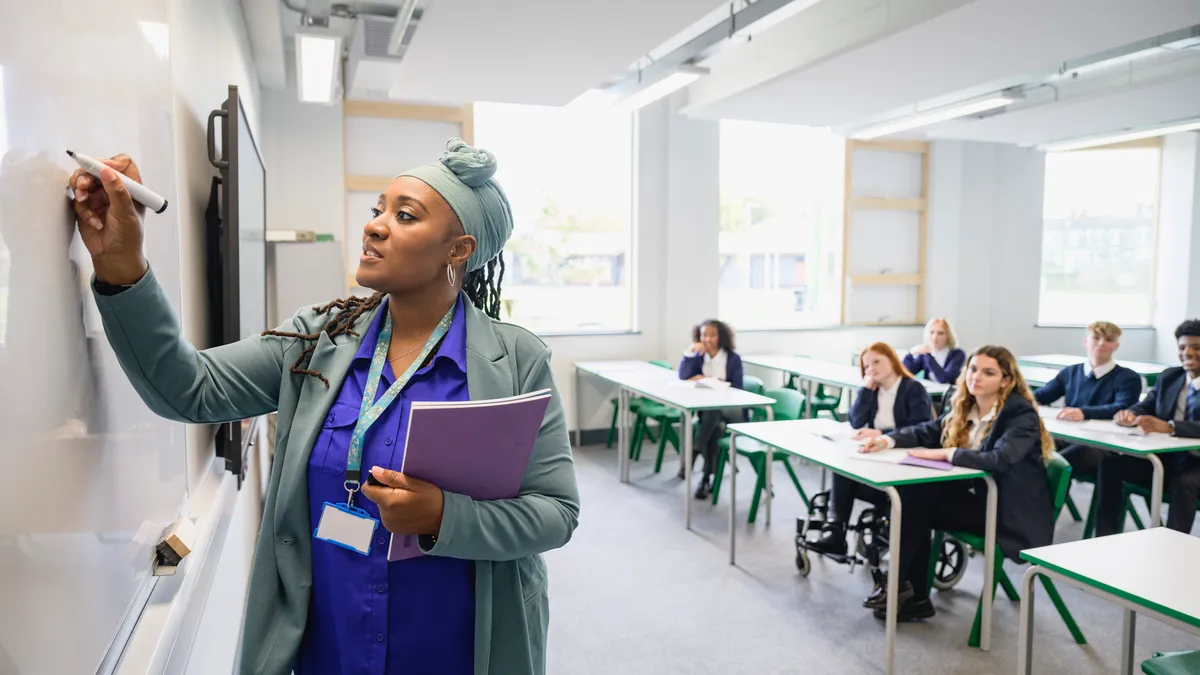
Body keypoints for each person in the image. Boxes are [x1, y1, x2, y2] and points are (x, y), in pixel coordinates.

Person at [68, 142, 579, 675]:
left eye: (404, 216)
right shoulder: (317, 340)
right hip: (334, 647)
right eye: (377, 209)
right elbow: (187, 388)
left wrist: (445, 516)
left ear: (458, 249)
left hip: (458, 648)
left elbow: (555, 514)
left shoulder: (515, 360)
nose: (376, 226)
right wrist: (120, 263)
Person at [860, 346, 1054, 621]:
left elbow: (1001, 458)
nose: (976, 377)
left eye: (989, 373)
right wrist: (887, 439)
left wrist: (947, 453)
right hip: (975, 499)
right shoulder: (965, 403)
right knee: (912, 499)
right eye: (973, 369)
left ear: (1006, 380)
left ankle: (903, 588)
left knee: (915, 503)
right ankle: (905, 591)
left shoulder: (1020, 415)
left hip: (1005, 510)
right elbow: (929, 430)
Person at [809, 342, 932, 556]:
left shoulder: (912, 388)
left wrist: (883, 434)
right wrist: (865, 390)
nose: (871, 369)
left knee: (849, 472)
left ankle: (866, 529)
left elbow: (921, 427)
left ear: (892, 361)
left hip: (904, 458)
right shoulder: (873, 391)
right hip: (879, 454)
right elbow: (855, 421)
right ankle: (835, 532)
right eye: (866, 366)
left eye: (877, 362)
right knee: (842, 467)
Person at [1095, 319, 1200, 536]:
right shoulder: (1170, 377)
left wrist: (1171, 427)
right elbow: (1147, 404)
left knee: (1184, 483)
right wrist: (1131, 413)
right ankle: (1104, 539)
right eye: (1182, 348)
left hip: (1196, 465)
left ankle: (1171, 550)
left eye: (1196, 347)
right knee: (1112, 466)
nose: (1188, 353)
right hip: (1168, 459)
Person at [1033, 321, 1141, 478]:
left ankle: (1048, 502)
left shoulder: (1128, 377)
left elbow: (1122, 407)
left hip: (1103, 444)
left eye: (1109, 340)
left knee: (1058, 464)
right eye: (1096, 338)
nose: (1101, 343)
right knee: (1032, 452)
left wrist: (1083, 412)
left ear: (1116, 346)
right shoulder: (1070, 372)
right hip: (1070, 436)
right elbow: (1043, 395)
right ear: (1086, 341)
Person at [678, 319, 744, 499]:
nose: (707, 339)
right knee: (713, 427)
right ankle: (706, 478)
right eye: (704, 335)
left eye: (712, 335)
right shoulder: (700, 355)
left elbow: (738, 388)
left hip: (731, 410)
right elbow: (683, 375)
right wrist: (690, 353)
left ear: (721, 337)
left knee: (713, 416)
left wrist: (716, 383)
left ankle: (694, 453)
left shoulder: (732, 358)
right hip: (707, 410)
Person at [903, 317, 966, 384]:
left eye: (940, 333)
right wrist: (910, 354)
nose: (935, 337)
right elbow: (906, 372)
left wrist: (929, 356)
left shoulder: (958, 354)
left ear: (949, 336)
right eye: (932, 332)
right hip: (929, 392)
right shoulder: (924, 353)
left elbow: (944, 378)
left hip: (948, 393)